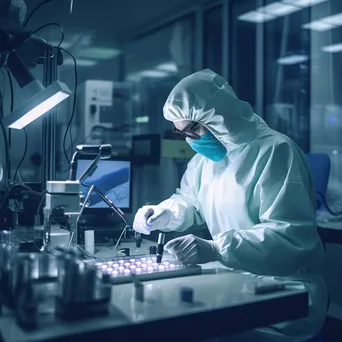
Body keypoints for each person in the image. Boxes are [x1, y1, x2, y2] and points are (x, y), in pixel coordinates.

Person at [133, 69, 327, 341]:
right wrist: (165, 212)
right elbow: (190, 200)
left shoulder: (275, 151)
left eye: (194, 129)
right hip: (232, 279)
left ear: (220, 117)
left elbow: (288, 236)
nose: (191, 140)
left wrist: (216, 248)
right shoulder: (204, 161)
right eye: (182, 134)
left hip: (284, 289)